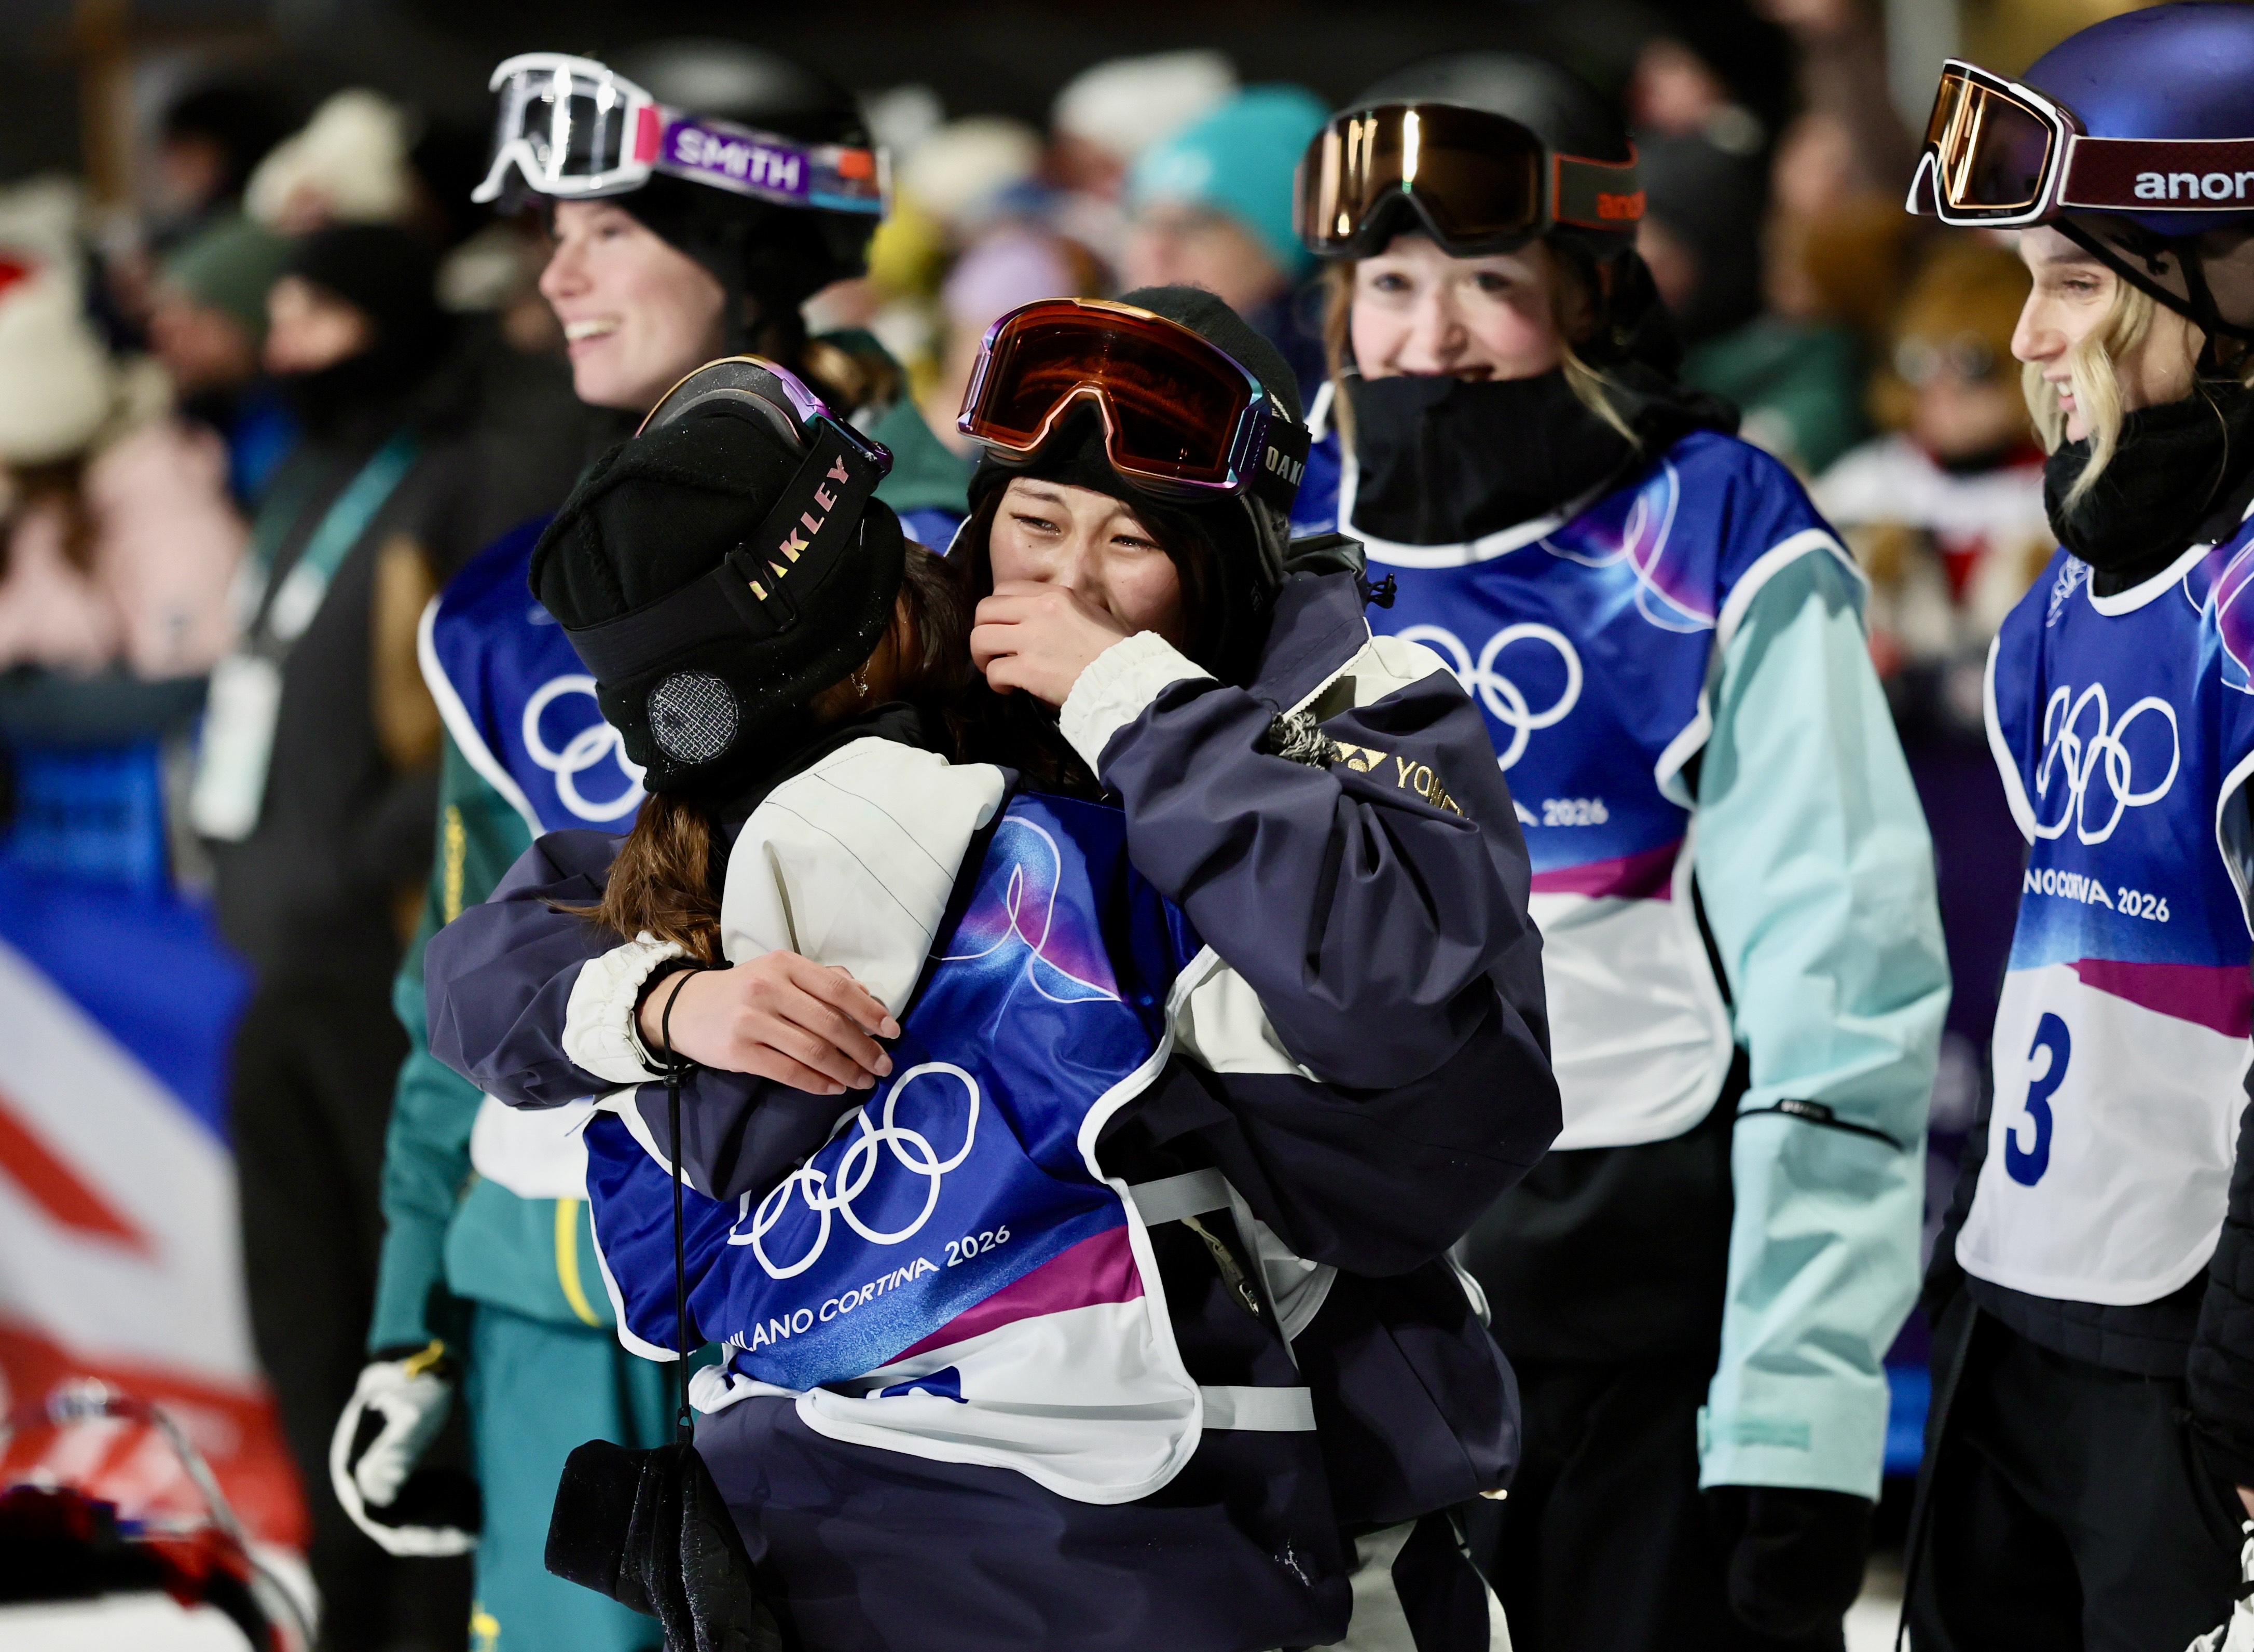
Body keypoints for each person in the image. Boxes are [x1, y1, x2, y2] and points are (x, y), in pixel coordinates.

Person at [421, 290, 1558, 1651]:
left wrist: (1133, 702)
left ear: (1226, 568)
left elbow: (1407, 1007)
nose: (1067, 584)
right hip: (878, 1519)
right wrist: (668, 1004)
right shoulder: (897, 661)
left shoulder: (1356, 708)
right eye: (1034, 524)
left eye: (1131, 542)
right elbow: (493, 955)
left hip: (1293, 1530)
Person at [1290, 53, 1949, 1651]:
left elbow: (1842, 981)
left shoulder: (1708, 522)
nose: (1424, 337)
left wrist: (1791, 1410)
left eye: (1485, 283)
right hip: (1313, 1299)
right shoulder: (1273, 511)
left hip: (1621, 1297)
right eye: (1384, 281)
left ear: (1585, 292)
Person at [327, 47, 965, 1652]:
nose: (557, 270)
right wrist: (413, 1312)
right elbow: (461, 959)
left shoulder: (974, 542)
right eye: (552, 227)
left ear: (748, 244)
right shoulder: (509, 601)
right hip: (546, 1303)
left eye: (606, 227)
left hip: (869, 1300)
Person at [1899, 9, 2254, 1647]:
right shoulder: (2063, 599)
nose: (2026, 334)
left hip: (2188, 1363)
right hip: (2024, 1300)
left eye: (2073, 280)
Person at [1122, 85, 1333, 404]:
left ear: (1281, 249)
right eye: (1145, 221)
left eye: (1195, 225)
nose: (1156, 251)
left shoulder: (1330, 407)